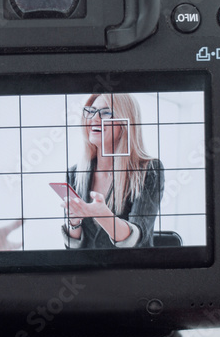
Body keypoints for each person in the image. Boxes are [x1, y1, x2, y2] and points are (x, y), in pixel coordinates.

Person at [61, 93, 164, 248]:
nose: (94, 119)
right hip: (88, 271)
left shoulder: (149, 170)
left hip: (130, 270)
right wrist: (74, 222)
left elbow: (136, 239)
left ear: (125, 123)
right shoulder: (74, 174)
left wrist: (102, 215)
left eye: (106, 113)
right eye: (91, 111)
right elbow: (73, 248)